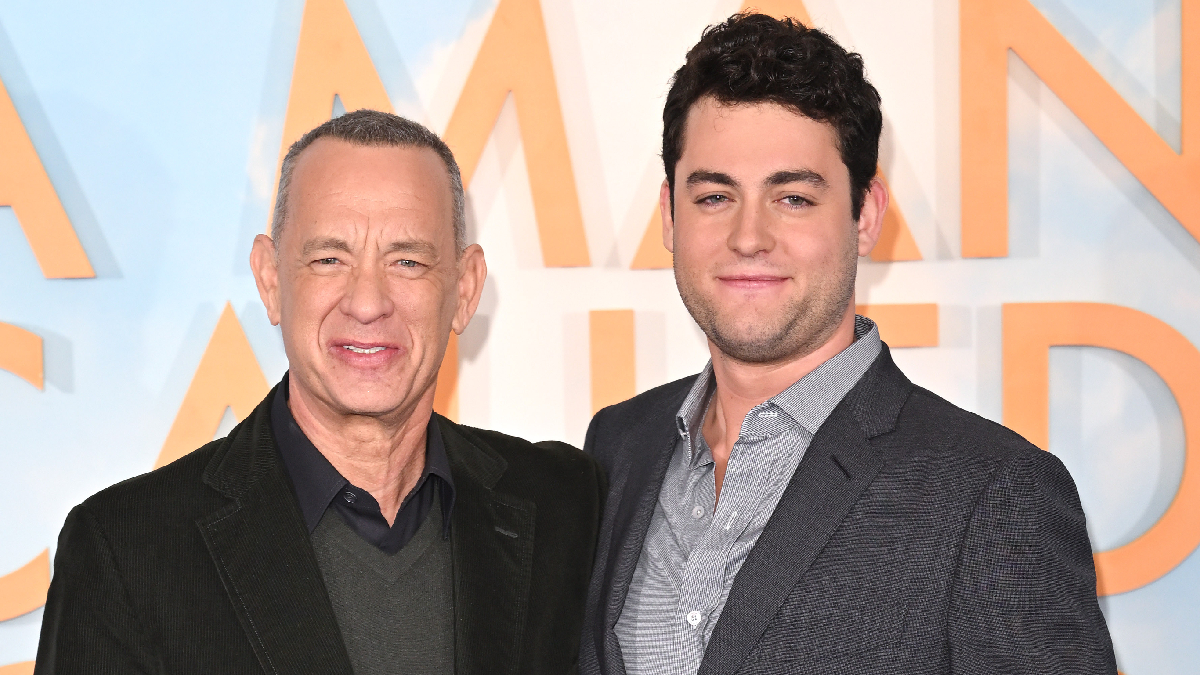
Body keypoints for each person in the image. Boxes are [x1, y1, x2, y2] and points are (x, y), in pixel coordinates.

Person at [580, 13, 1116, 675]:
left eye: (794, 198)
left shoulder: (993, 493)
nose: (750, 236)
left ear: (865, 215)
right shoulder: (618, 446)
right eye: (716, 196)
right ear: (669, 215)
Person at [36, 110, 604, 675]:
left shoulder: (565, 505)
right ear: (271, 278)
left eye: (406, 261)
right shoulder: (126, 552)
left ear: (464, 289)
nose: (366, 301)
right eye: (329, 259)